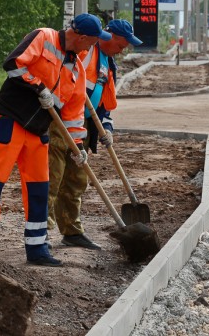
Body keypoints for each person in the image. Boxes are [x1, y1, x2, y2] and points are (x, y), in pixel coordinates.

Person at [0, 13, 111, 267]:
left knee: (39, 189)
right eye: (91, 42)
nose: (92, 47)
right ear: (81, 37)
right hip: (10, 120)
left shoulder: (76, 69)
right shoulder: (44, 37)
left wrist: (77, 146)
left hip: (38, 130)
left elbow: (73, 115)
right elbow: (12, 63)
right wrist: (38, 87)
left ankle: (37, 248)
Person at [47, 19, 142, 250]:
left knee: (77, 179)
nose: (125, 48)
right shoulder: (86, 52)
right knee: (53, 178)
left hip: (84, 126)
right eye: (123, 42)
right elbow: (63, 79)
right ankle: (39, 235)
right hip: (61, 122)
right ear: (109, 37)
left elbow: (105, 103)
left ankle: (72, 231)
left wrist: (106, 128)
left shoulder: (108, 63)